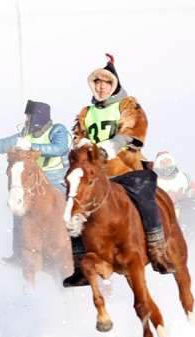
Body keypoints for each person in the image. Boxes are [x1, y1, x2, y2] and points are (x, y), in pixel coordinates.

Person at [63, 53, 175, 287]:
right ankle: (80, 263)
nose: (102, 88)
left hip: (125, 166)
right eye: (97, 83)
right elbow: (79, 136)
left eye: (106, 83)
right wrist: (82, 145)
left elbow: (133, 130)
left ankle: (157, 250)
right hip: (96, 172)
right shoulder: (86, 112)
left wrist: (112, 145)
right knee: (73, 205)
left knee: (145, 198)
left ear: (114, 86)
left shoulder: (127, 105)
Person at [0, 100, 71, 268]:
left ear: (39, 116)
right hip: (31, 181)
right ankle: (19, 253)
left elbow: (59, 148)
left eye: (29, 116)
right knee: (19, 207)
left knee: (72, 205)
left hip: (56, 177)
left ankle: (78, 245)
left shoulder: (57, 130)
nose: (26, 119)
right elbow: (4, 143)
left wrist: (32, 146)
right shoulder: (25, 134)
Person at [154, 150, 195, 216]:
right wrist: (179, 194)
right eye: (162, 163)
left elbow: (193, 189)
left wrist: (191, 193)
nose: (166, 165)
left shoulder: (183, 177)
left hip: (187, 214)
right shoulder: (154, 182)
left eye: (168, 162)